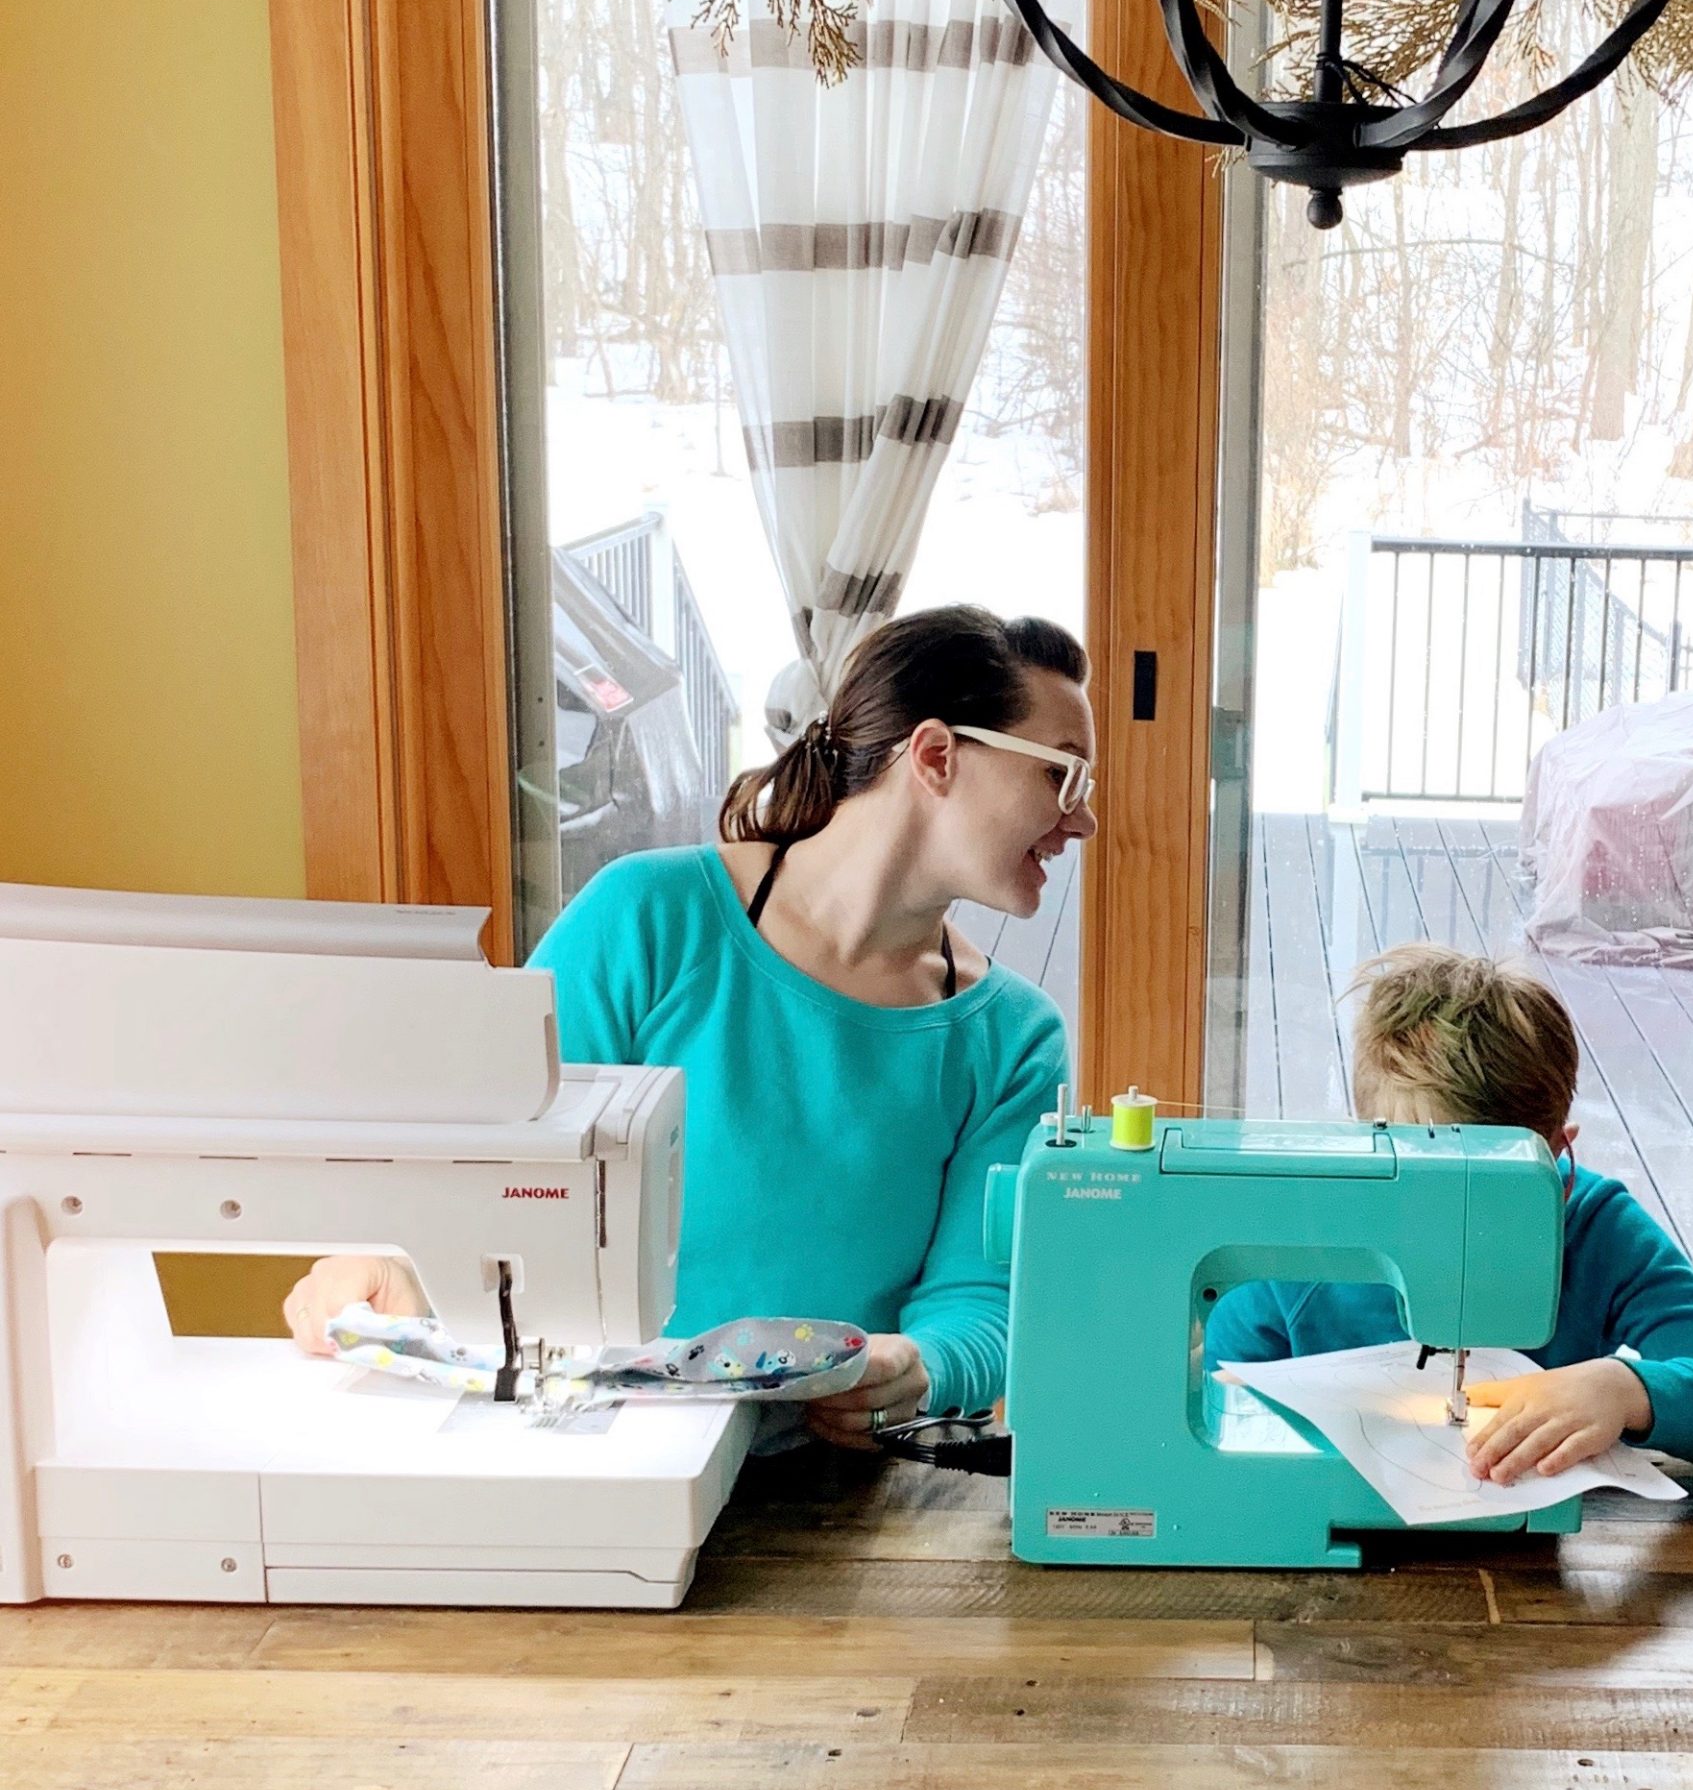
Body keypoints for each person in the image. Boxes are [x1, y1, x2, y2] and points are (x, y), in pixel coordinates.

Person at [283, 605, 1095, 1448]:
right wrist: (399, 1268)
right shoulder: (645, 921)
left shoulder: (1014, 1039)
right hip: (591, 1457)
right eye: (1062, 776)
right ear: (935, 756)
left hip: (838, 1505)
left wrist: (918, 1369)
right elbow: (484, 1175)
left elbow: (980, 1302)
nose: (1084, 822)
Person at [1203, 945, 1693, 1486]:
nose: (1450, 1223)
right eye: (1423, 1183)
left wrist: (1628, 1391)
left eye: (1488, 1194)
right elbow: (1228, 1412)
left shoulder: (1597, 1230)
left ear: (1556, 1156)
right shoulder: (1302, 1247)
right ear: (1366, 1144)